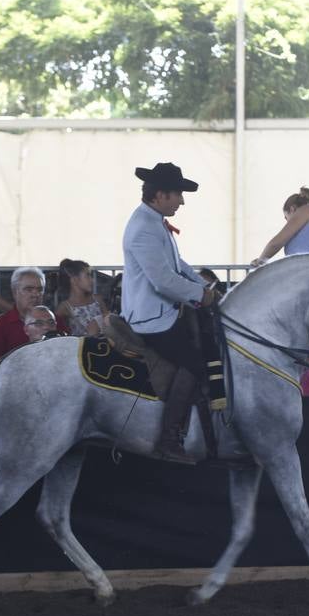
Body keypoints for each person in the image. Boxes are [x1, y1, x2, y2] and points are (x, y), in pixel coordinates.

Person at [121, 161, 216, 463]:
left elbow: (178, 265)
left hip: (165, 310)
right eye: (178, 194)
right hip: (151, 318)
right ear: (160, 195)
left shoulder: (153, 221)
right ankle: (169, 439)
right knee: (195, 362)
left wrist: (205, 285)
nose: (182, 201)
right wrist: (202, 295)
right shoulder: (143, 229)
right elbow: (162, 280)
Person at [0, 267, 49, 362]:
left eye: (40, 290)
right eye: (29, 289)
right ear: (15, 292)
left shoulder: (55, 321)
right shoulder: (2, 324)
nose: (35, 294)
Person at [56, 258, 108, 337]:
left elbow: (109, 323)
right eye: (87, 275)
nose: (92, 280)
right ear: (74, 279)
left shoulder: (97, 300)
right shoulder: (65, 307)